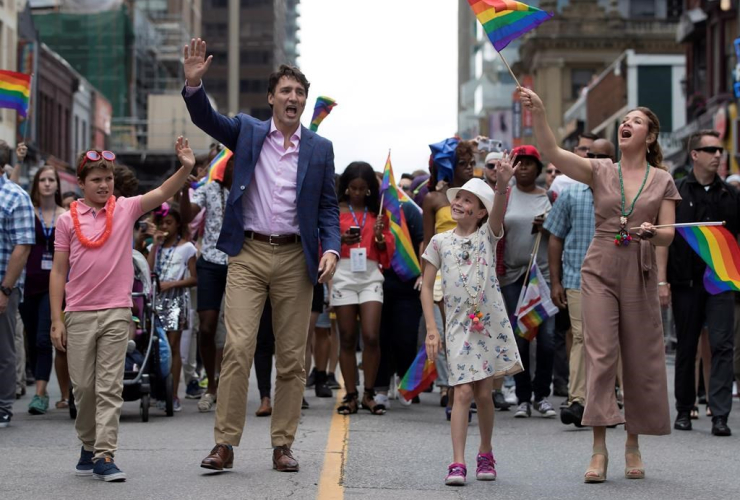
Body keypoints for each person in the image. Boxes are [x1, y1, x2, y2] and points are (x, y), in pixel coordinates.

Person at [182, 38, 340, 473]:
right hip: (248, 252)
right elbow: (208, 119)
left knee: (292, 357)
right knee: (237, 347)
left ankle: (282, 445)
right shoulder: (248, 131)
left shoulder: (319, 149)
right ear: (271, 98)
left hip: (296, 258)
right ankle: (225, 444)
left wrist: (331, 248)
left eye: (299, 93)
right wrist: (194, 85)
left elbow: (328, 207)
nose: (293, 99)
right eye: (286, 91)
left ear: (305, 103)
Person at [522, 87, 681, 483]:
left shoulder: (662, 179)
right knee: (601, 353)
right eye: (625, 119)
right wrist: (540, 112)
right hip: (598, 269)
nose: (627, 123)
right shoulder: (600, 170)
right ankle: (598, 448)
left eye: (636, 121)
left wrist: (652, 231)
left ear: (650, 136)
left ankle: (633, 443)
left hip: (639, 271)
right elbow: (554, 154)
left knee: (639, 358)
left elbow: (668, 235)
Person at [49, 138, 194, 481]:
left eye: (108, 178)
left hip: (117, 310)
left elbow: (160, 193)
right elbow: (58, 271)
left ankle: (105, 454)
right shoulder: (67, 221)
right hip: (79, 312)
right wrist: (57, 319)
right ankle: (88, 444)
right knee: (83, 388)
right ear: (81, 184)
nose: (103, 184)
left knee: (109, 386)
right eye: (96, 179)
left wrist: (186, 168)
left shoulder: (126, 208)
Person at [421, 169, 523, 486]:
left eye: (469, 201)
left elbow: (498, 216)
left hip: (487, 326)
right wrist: (431, 330)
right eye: (459, 198)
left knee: (483, 394)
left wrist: (503, 185)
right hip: (457, 327)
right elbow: (425, 287)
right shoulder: (439, 242)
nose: (460, 203)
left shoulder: (486, 236)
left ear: (480, 212)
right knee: (462, 391)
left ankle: (486, 451)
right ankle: (457, 462)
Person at [657, 130, 738, 437]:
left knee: (722, 346)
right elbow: (663, 239)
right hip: (684, 282)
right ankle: (683, 410)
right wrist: (662, 281)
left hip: (721, 283)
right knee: (687, 346)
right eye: (711, 150)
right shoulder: (676, 192)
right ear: (695, 155)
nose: (718, 154)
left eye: (720, 150)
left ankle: (720, 414)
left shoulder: (730, 195)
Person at [544, 139, 616, 427]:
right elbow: (555, 237)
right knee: (583, 336)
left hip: (615, 279)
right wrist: (555, 281)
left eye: (604, 157)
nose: (597, 161)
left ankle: (608, 397)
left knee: (610, 341)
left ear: (614, 161)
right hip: (577, 277)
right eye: (592, 155)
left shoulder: (625, 194)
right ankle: (577, 399)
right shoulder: (571, 194)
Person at [498, 145, 556, 419]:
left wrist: (548, 225)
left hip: (542, 276)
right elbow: (494, 229)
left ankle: (541, 395)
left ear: (537, 167)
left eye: (528, 163)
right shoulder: (505, 196)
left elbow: (561, 234)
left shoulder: (550, 198)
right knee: (519, 338)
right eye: (518, 162)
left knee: (546, 340)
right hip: (511, 277)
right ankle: (522, 397)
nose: (522, 167)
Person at [332, 162, 394, 415]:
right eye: (353, 188)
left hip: (370, 275)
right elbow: (321, 244)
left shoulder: (377, 215)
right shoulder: (334, 211)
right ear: (345, 187)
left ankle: (369, 393)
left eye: (362, 189)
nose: (357, 193)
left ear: (370, 190)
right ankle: (350, 394)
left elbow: (387, 254)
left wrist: (380, 237)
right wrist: (340, 239)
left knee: (370, 335)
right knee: (346, 337)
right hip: (343, 274)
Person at [422, 139, 476, 414]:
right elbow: (427, 241)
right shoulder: (433, 199)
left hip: (470, 272)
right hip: (442, 273)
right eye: (462, 164)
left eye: (471, 164)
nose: (469, 169)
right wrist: (425, 277)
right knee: (447, 334)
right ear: (449, 167)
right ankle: (452, 392)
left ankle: (464, 391)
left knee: (469, 335)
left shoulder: (478, 198)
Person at [180, 154, 233, 412]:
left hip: (240, 263)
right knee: (208, 326)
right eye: (231, 163)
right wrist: (183, 191)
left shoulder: (251, 188)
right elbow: (189, 214)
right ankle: (211, 386)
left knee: (235, 330)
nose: (235, 167)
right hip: (210, 262)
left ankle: (228, 384)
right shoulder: (209, 188)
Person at [20, 166, 71, 415]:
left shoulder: (66, 215)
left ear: (58, 185)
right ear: (36, 184)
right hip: (28, 283)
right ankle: (39, 385)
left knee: (43, 338)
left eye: (52, 180)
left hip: (54, 285)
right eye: (43, 180)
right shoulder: (29, 212)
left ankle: (40, 394)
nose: (48, 184)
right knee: (31, 338)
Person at [374, 187, 424, 408]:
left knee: (405, 338)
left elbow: (423, 241)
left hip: (408, 285)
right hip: (377, 284)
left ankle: (406, 382)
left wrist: (423, 273)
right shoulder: (374, 212)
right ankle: (381, 387)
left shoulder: (410, 212)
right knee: (380, 337)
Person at [147, 204, 198, 413]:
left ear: (178, 225)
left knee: (173, 346)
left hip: (176, 300)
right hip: (155, 300)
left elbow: (195, 279)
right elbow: (147, 271)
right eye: (162, 223)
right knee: (155, 347)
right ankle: (157, 391)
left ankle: (173, 393)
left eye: (169, 223)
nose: (165, 227)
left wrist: (172, 284)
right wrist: (155, 246)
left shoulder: (187, 248)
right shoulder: (154, 247)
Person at [0, 169, 35, 428]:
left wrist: (5, 290)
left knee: (3, 348)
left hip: (3, 285)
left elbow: (22, 247)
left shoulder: (15, 196)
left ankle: (2, 407)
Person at [549, 132, 598, 198]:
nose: (587, 153)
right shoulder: (560, 182)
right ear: (575, 151)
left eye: (591, 150)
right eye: (583, 149)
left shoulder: (605, 181)